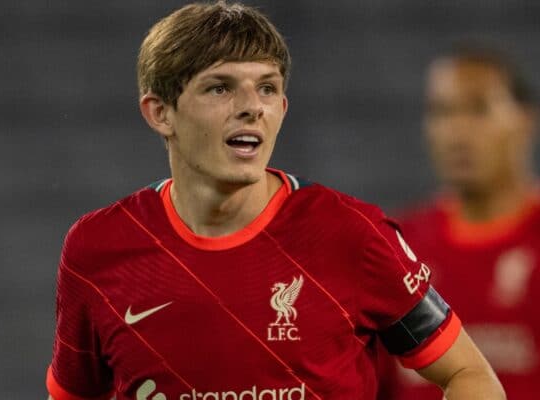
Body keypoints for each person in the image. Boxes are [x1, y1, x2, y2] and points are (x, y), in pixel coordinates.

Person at [46, 3, 505, 399]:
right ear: (160, 112)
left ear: (283, 107)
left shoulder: (351, 233)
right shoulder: (97, 249)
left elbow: (469, 374)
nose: (252, 106)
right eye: (220, 87)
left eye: (266, 87)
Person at [386, 44, 540, 399]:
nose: (457, 131)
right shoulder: (394, 245)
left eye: (478, 109)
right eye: (442, 112)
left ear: (525, 120)